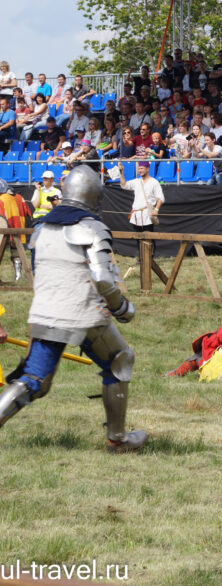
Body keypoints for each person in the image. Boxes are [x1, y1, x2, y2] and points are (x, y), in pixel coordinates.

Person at [0, 167, 146, 452]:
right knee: (120, 359)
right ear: (94, 196)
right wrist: (121, 307)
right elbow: (102, 278)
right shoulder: (92, 227)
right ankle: (117, 440)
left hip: (44, 310)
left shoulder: (42, 228)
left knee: (33, 380)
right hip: (82, 310)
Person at [117, 160, 163, 245]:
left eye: (142, 168)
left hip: (147, 214)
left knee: (149, 239)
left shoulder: (154, 182)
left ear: (147, 169)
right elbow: (124, 185)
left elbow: (160, 198)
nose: (140, 170)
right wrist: (121, 172)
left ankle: (150, 258)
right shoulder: (136, 181)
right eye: (139, 169)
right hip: (136, 214)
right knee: (138, 240)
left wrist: (156, 210)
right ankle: (141, 258)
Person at [0, 179, 31, 280]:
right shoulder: (19, 197)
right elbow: (28, 213)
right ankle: (18, 275)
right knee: (16, 251)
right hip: (17, 228)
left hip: (4, 229)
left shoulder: (1, 199)